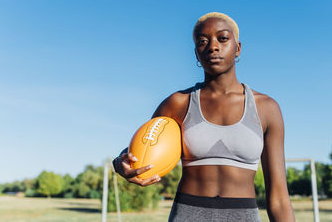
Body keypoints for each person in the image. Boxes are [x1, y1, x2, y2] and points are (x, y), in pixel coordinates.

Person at [113, 12, 295, 222]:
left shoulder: (267, 108)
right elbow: (139, 150)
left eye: (223, 38)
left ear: (238, 48)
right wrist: (120, 164)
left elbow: (279, 198)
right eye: (203, 41)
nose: (213, 46)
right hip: (187, 214)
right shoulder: (178, 103)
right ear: (196, 53)